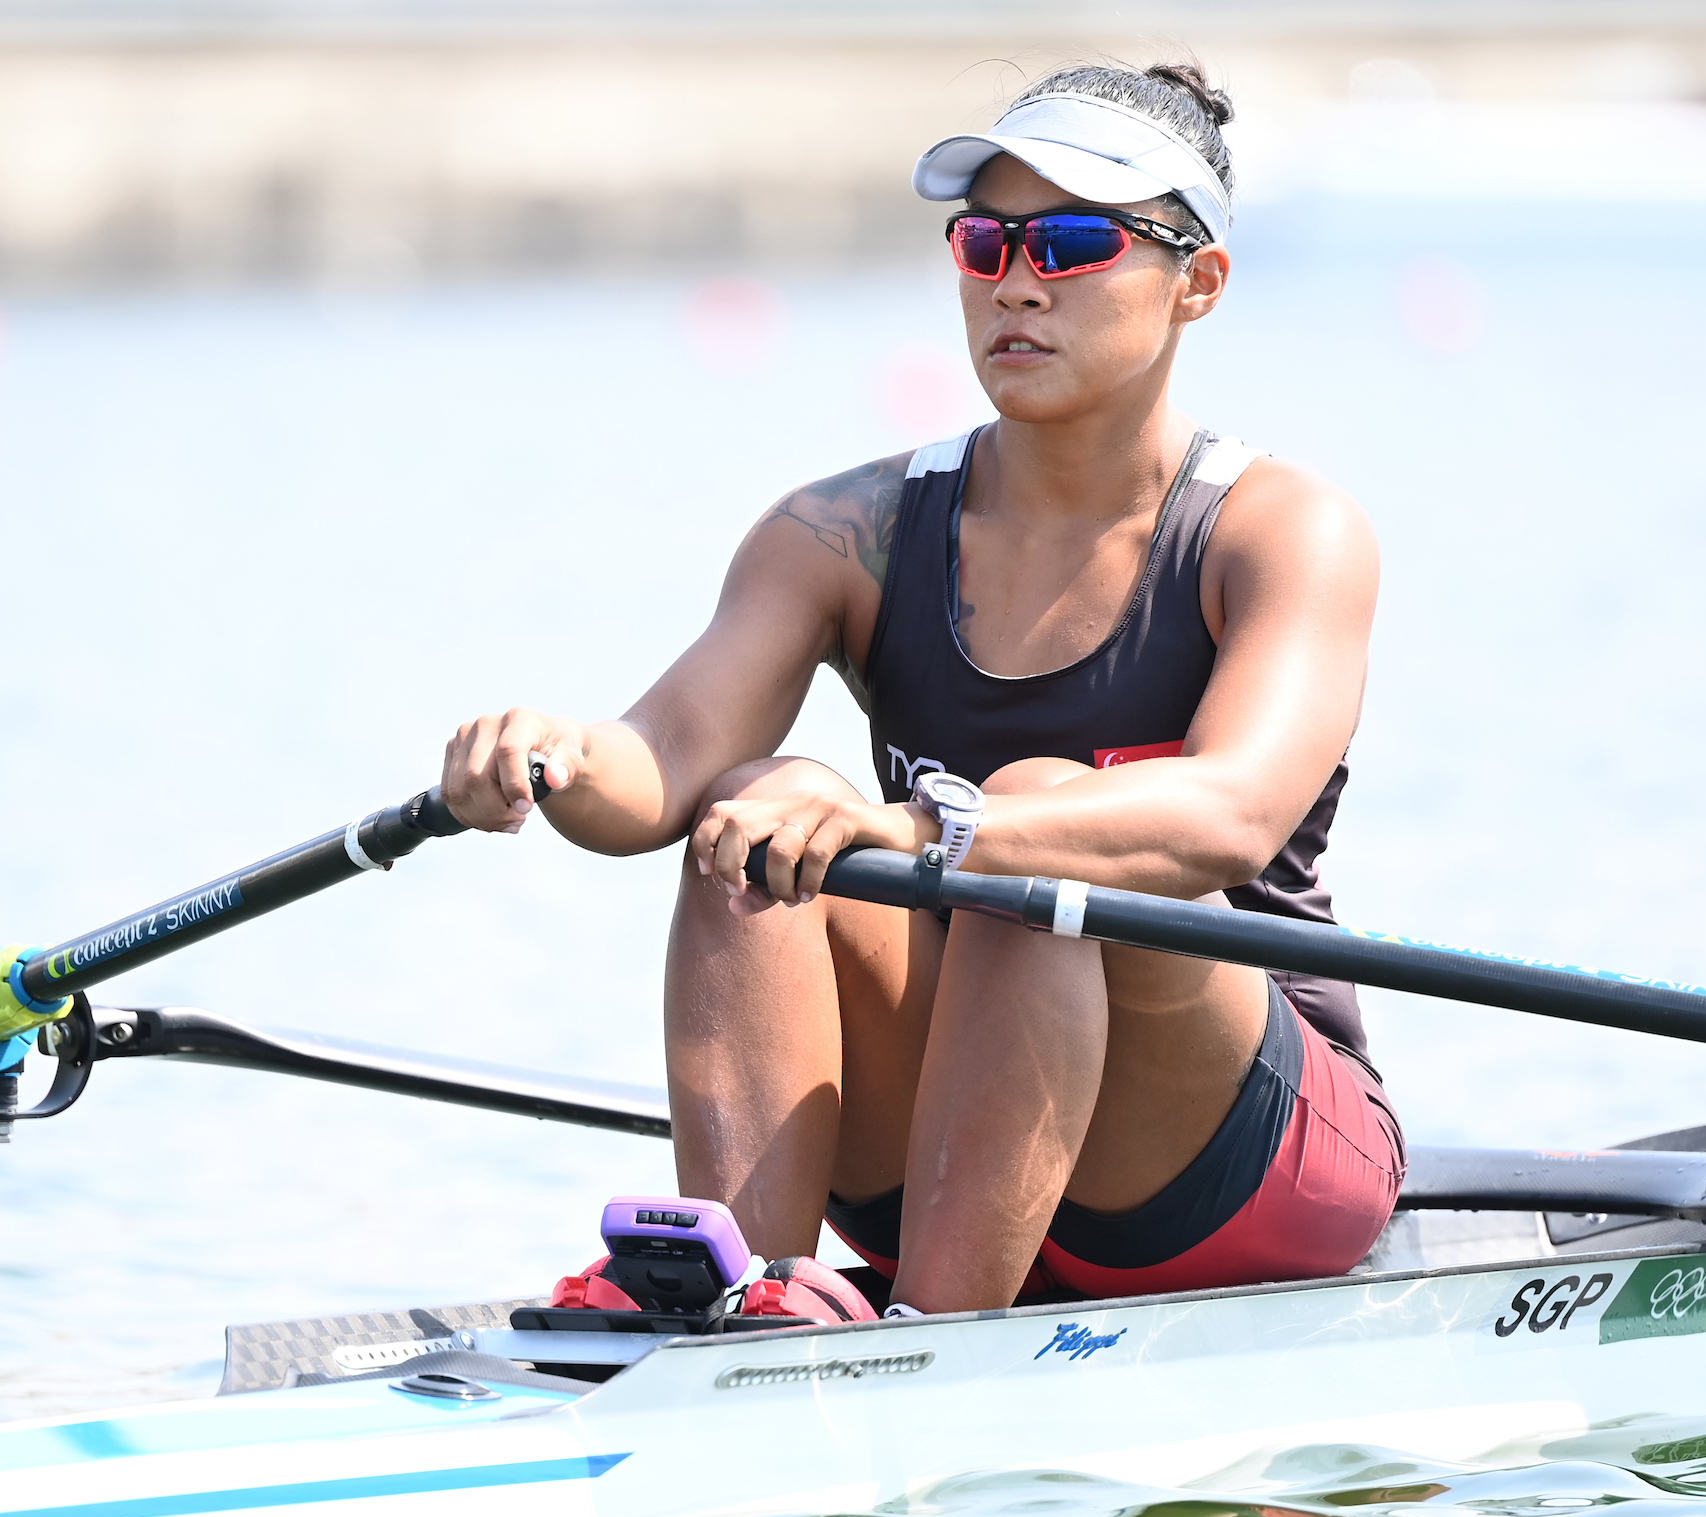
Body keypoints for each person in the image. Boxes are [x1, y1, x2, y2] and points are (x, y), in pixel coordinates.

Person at [439, 61, 1403, 1321]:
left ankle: (930, 1351)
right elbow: (660, 765)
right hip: (965, 1130)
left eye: (1071, 241)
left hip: (1243, 1161)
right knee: (759, 805)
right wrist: (554, 752)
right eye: (984, 241)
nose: (1016, 279)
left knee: (1033, 817)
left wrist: (927, 831)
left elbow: (1228, 818)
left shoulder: (1282, 531)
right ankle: (747, 1298)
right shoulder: (845, 531)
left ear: (1197, 283)